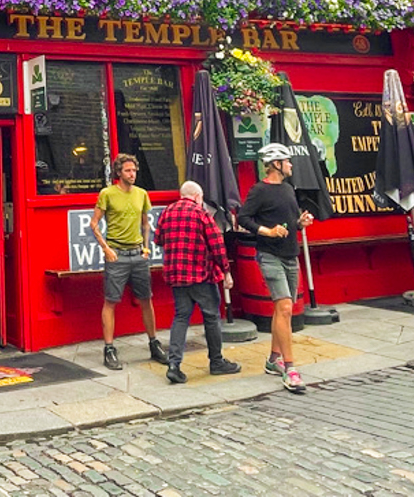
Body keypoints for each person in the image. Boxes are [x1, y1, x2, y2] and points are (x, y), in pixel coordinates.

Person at [237, 142, 314, 393]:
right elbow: (243, 218)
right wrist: (267, 231)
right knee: (285, 307)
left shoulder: (289, 189)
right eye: (288, 161)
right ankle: (290, 369)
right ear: (277, 165)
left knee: (282, 310)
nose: (291, 165)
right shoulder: (259, 190)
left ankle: (273, 360)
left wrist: (299, 223)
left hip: (291, 255)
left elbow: (289, 222)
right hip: (270, 255)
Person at [154, 180, 240, 383]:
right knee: (211, 317)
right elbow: (217, 246)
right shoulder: (201, 214)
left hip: (176, 276)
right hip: (201, 275)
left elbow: (158, 239)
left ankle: (174, 364)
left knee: (181, 317)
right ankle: (216, 361)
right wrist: (226, 272)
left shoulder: (167, 212)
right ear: (198, 196)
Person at [91, 153, 168, 371]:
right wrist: (105, 248)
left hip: (137, 254)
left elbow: (146, 223)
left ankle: (154, 343)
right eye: (127, 170)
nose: (132, 174)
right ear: (118, 172)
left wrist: (146, 248)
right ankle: (109, 348)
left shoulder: (142, 194)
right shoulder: (107, 194)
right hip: (117, 253)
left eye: (134, 170)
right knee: (111, 301)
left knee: (146, 299)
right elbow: (94, 224)